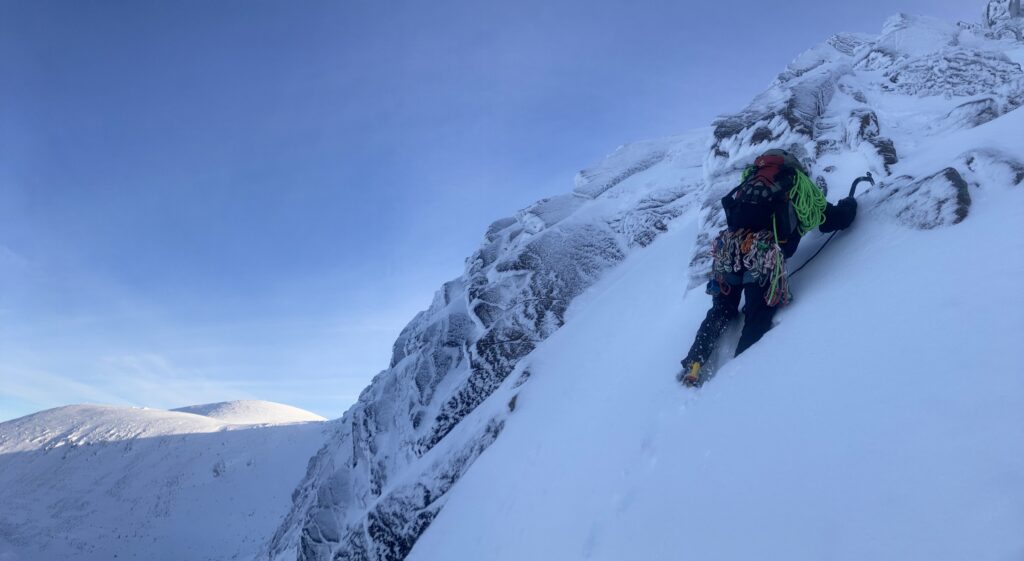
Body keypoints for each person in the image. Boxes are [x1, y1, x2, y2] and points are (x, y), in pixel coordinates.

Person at [680, 148, 857, 386]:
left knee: (721, 308)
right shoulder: (796, 183)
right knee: (757, 314)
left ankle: (695, 363)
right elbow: (830, 220)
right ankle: (736, 382)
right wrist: (850, 204)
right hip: (763, 254)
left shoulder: (749, 181)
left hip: (731, 248)